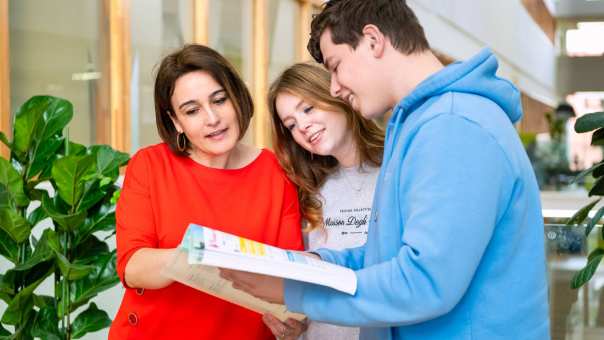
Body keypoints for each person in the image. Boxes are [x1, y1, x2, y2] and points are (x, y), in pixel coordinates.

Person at [221, 1, 551, 339]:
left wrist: (295, 291)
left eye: (336, 66)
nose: (334, 87)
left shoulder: (454, 126)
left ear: (373, 40)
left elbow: (425, 283)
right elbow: (389, 253)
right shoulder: (422, 124)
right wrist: (311, 267)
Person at [108, 44, 304, 339]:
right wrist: (198, 256)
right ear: (176, 121)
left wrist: (293, 323)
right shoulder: (150, 165)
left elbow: (290, 278)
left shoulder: (277, 173)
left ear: (237, 97)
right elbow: (133, 266)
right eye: (192, 110)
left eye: (220, 100)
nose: (212, 118)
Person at [261, 63, 384, 340]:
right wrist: (296, 324)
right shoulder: (306, 190)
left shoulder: (398, 169)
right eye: (291, 125)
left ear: (336, 95)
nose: (302, 126)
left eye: (308, 109)